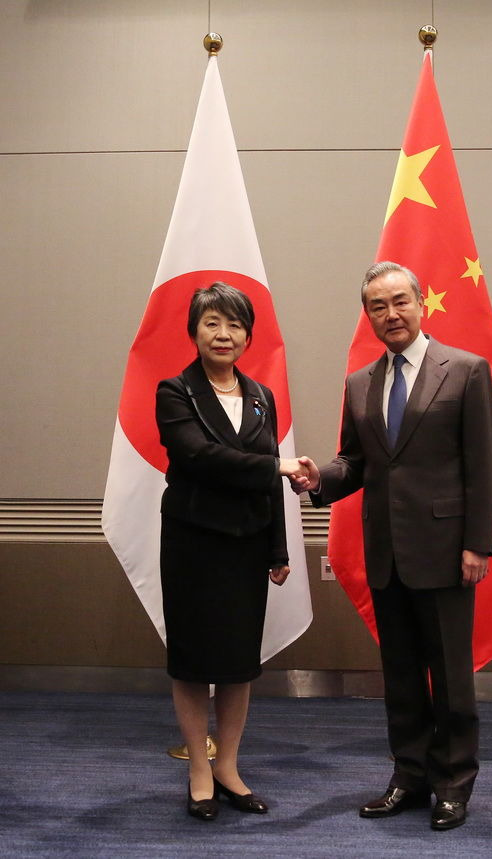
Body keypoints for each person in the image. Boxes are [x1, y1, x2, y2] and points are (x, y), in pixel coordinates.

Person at [291, 262, 492, 831]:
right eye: (378, 307)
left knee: (452, 678)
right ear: (368, 316)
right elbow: (355, 462)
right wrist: (320, 481)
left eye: (400, 301)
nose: (391, 314)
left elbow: (484, 467)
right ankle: (408, 776)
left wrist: (478, 543)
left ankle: (454, 783)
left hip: (447, 550)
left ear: (420, 303)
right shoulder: (361, 382)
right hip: (386, 552)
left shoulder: (466, 371)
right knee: (402, 675)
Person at [156, 282, 307, 821]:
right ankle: (199, 766)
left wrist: (278, 548)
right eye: (212, 323)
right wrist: (276, 467)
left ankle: (229, 767)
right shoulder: (175, 392)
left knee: (240, 666)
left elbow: (269, 480)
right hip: (194, 545)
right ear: (194, 330)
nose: (224, 334)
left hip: (247, 547)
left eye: (235, 324)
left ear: (248, 335)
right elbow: (198, 457)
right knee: (195, 663)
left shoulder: (261, 394)